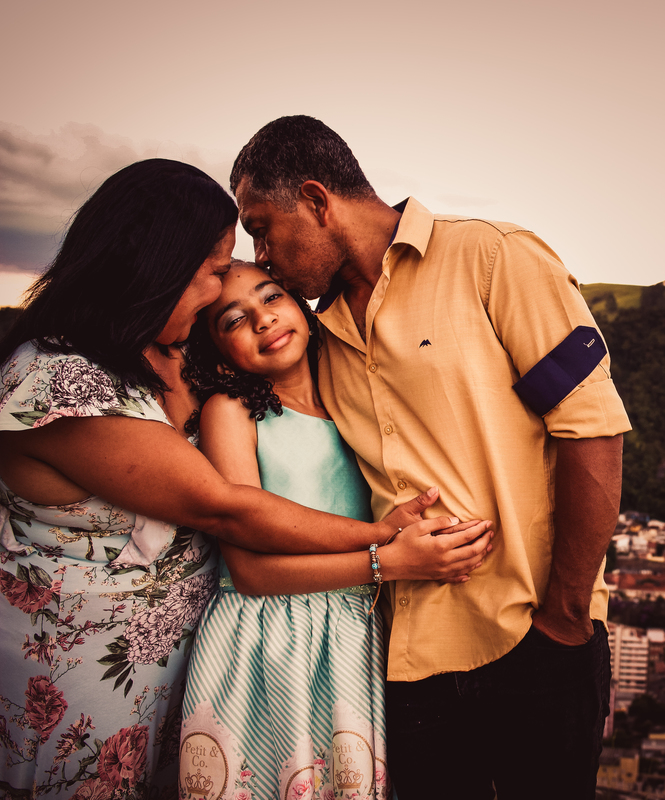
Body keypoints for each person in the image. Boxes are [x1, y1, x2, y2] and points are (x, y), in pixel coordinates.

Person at [0, 160, 490, 799]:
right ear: (160, 268)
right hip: (80, 686)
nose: (219, 288)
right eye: (210, 275)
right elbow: (228, 509)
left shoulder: (175, 355)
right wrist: (384, 545)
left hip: (193, 671)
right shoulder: (59, 382)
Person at [230, 116, 631, 798]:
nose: (262, 254)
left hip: (534, 640)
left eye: (262, 227)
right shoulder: (313, 330)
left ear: (318, 200)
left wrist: (564, 617)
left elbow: (591, 429)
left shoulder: (495, 259)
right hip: (404, 663)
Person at [177, 260, 493, 800]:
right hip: (270, 641)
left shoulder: (354, 398)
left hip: (354, 635)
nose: (263, 320)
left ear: (300, 303)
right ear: (215, 348)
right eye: (233, 320)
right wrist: (388, 558)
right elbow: (249, 572)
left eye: (271, 297)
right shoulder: (230, 412)